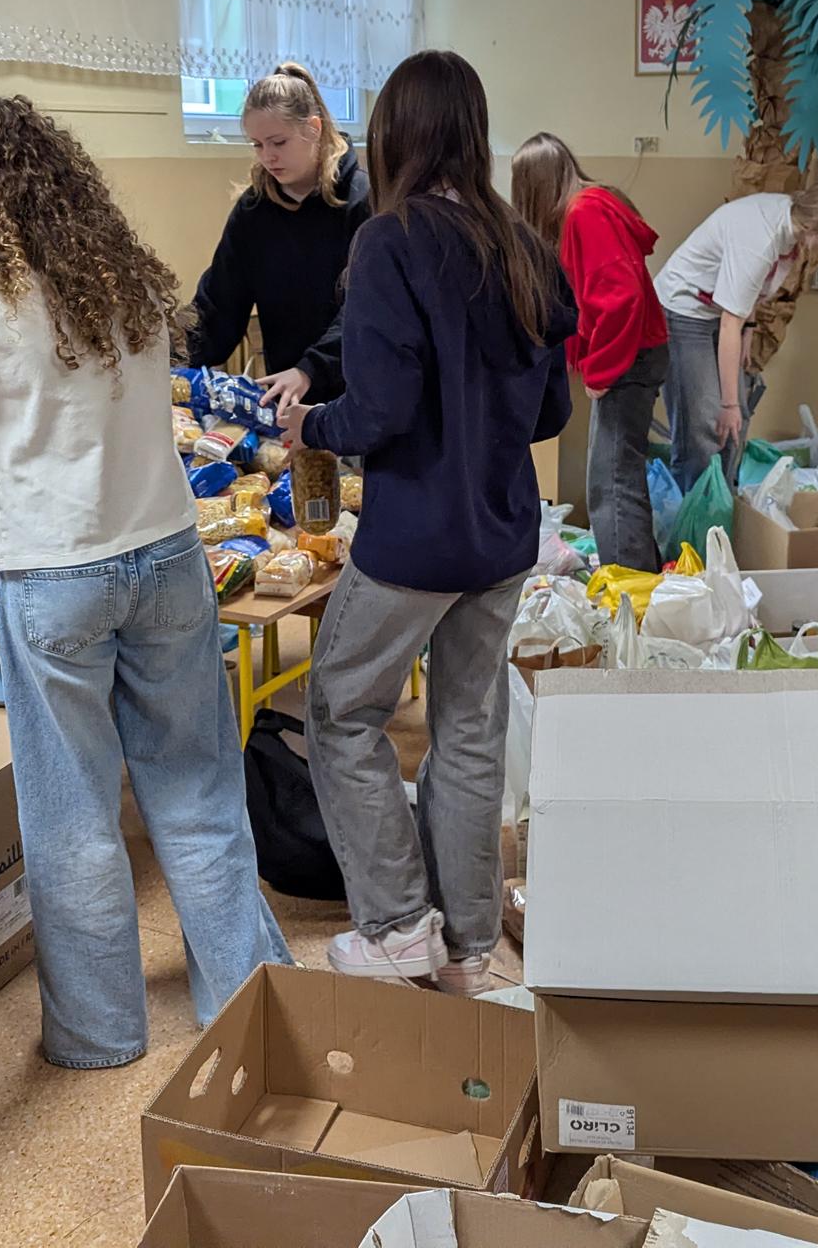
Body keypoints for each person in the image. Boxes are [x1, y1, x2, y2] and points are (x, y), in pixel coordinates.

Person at [0, 96, 289, 1067]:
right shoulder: (123, 281)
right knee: (200, 794)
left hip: (52, 579)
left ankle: (98, 1036)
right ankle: (244, 1006)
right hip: (167, 558)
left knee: (72, 812)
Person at [278, 51, 574, 994]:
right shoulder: (521, 242)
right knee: (468, 731)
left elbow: (383, 407)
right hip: (500, 533)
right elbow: (551, 414)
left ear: (393, 135)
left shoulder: (391, 240)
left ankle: (401, 922)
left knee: (341, 711)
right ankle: (470, 948)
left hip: (415, 539)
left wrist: (310, 424)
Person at [511, 132, 669, 571]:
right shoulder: (594, 205)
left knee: (611, 484)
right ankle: (640, 577)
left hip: (630, 360)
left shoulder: (585, 213)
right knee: (619, 478)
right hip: (639, 355)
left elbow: (621, 299)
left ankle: (630, 590)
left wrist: (600, 372)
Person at [182, 63, 371, 407]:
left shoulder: (362, 201)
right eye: (257, 145)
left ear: (313, 129)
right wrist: (166, 357)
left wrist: (309, 369)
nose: (268, 157)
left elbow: (367, 311)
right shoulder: (253, 212)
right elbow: (219, 308)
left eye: (278, 142)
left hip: (355, 399)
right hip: (288, 401)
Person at [654, 181, 818, 492]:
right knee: (703, 426)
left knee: (736, 421)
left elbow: (748, 290)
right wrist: (728, 403)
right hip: (683, 311)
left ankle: (722, 501)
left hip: (720, 315)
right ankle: (694, 516)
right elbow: (729, 324)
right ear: (816, 224)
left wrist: (749, 332)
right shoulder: (760, 240)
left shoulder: (791, 227)